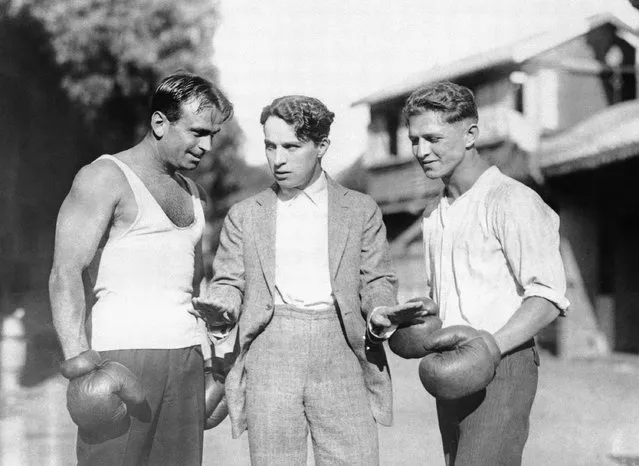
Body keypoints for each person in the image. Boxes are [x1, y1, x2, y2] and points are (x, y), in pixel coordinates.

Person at [190, 95, 427, 465]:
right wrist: (222, 305)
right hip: (271, 353)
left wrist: (380, 312)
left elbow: (377, 279)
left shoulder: (360, 210)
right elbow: (229, 283)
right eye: (270, 146)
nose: (278, 159)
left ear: (321, 147)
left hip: (343, 352)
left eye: (291, 147)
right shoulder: (244, 216)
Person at [49, 72, 233, 466]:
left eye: (213, 135)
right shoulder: (104, 177)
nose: (207, 146)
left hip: (184, 358)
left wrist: (208, 358)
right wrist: (81, 367)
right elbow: (65, 272)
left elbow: (194, 285)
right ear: (160, 123)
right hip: (121, 360)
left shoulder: (195, 195)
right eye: (198, 132)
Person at [399, 81, 570, 465]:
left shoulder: (511, 199)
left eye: (433, 138)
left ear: (471, 134)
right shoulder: (434, 213)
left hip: (502, 364)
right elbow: (447, 298)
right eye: (414, 140)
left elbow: (548, 296)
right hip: (450, 367)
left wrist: (489, 348)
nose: (421, 151)